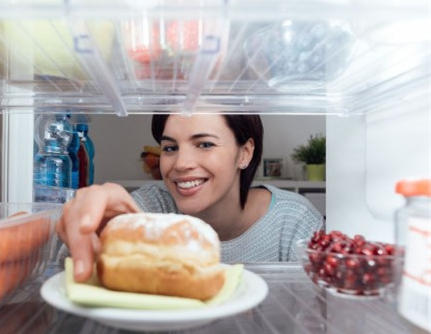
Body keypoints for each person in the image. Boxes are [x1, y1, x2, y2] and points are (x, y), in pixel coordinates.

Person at [56, 113, 324, 282]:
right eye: (170, 148)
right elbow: (71, 271)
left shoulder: (293, 221)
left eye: (204, 144)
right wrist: (87, 231)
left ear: (245, 153)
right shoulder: (148, 210)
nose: (181, 163)